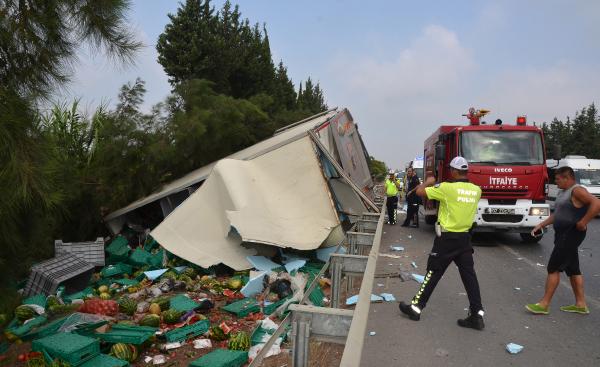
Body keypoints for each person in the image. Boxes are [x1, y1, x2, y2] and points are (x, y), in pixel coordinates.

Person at [399, 156, 486, 330]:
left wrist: (429, 181)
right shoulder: (476, 190)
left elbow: (419, 193)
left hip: (446, 239)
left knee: (433, 273)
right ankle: (477, 315)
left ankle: (416, 308)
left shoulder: (447, 188)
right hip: (465, 240)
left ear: (454, 171)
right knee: (470, 277)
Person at [526, 166, 600, 315]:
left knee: (553, 268)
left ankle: (544, 304)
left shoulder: (577, 190)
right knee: (573, 269)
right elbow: (558, 215)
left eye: (558, 179)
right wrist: (541, 224)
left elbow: (596, 203)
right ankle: (580, 304)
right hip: (563, 234)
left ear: (567, 178)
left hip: (570, 234)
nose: (556, 182)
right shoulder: (563, 193)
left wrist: (583, 222)